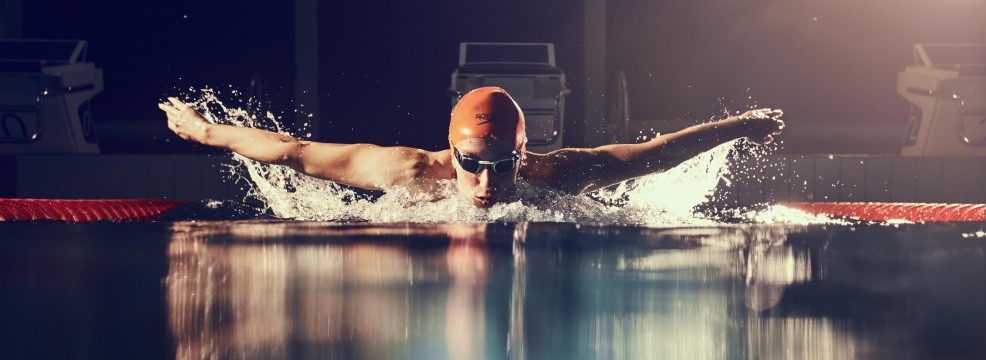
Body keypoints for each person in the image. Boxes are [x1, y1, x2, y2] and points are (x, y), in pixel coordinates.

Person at [160, 86, 783, 208]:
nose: (486, 185)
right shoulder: (402, 172)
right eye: (472, 167)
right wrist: (206, 131)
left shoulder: (553, 175)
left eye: (501, 168)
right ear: (449, 153)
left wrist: (737, 125)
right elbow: (293, 150)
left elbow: (653, 154)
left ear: (522, 157)